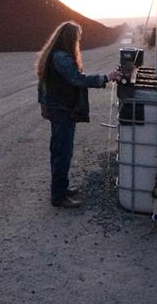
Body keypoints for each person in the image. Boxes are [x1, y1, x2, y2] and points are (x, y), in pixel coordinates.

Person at [36, 21, 122, 208]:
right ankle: (58, 196)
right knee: (63, 153)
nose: (78, 42)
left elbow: (43, 82)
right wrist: (106, 77)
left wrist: (44, 105)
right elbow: (77, 80)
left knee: (58, 151)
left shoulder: (55, 55)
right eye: (76, 38)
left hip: (58, 109)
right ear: (70, 39)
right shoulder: (61, 58)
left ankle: (60, 188)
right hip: (62, 110)